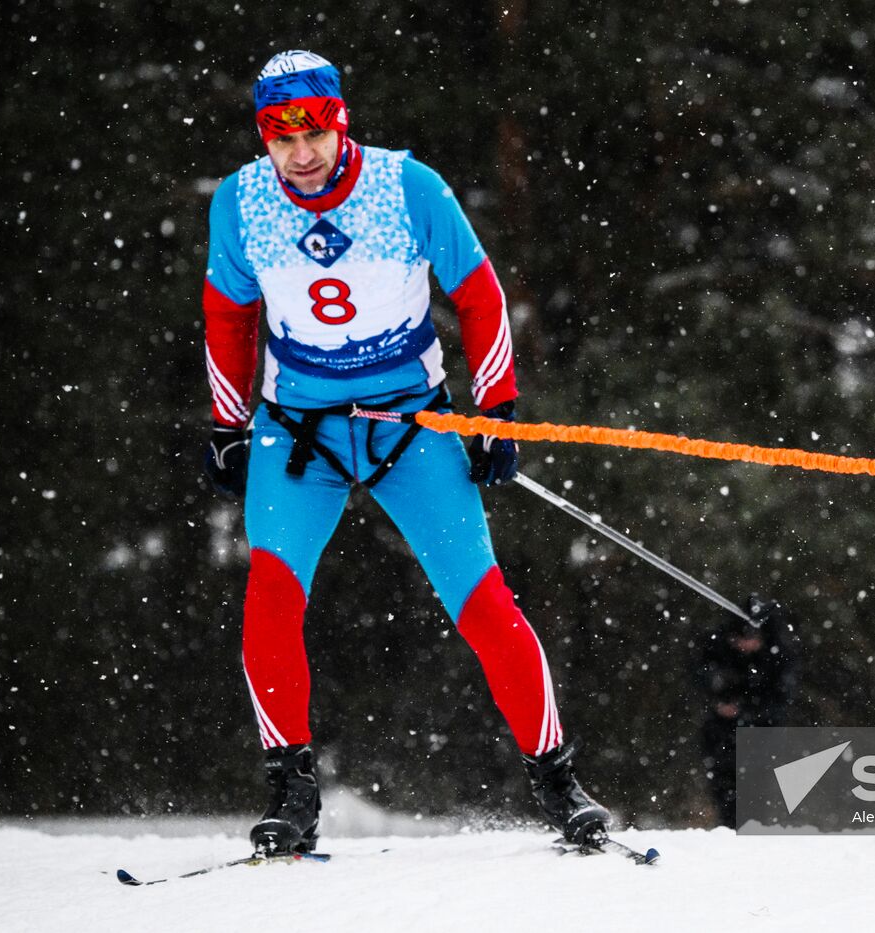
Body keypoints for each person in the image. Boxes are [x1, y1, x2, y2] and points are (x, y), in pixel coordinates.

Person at [201, 50, 609, 855]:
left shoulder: (406, 187)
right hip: (299, 436)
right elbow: (227, 312)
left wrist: (496, 411)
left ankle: (559, 780)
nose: (301, 152)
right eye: (281, 137)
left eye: (313, 130)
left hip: (410, 428)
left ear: (339, 120)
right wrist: (226, 424)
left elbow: (479, 291)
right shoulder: (241, 202)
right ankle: (291, 788)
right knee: (271, 597)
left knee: (485, 603)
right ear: (263, 139)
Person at [693, 596, 797, 826]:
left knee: (756, 793)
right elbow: (699, 677)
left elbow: (781, 698)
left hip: (761, 735)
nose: (743, 645)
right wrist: (718, 700)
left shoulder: (778, 656)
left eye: (749, 638)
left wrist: (745, 710)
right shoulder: (717, 647)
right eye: (737, 639)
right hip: (720, 735)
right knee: (724, 791)